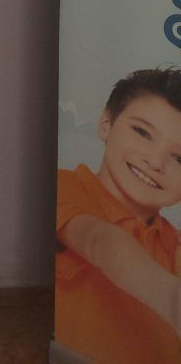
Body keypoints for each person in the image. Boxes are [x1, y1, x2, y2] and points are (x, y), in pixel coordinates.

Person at [56, 66, 181, 363]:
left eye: (180, 158)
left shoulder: (175, 246)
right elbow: (101, 241)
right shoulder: (63, 186)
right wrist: (173, 300)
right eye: (142, 132)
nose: (156, 162)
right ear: (106, 123)